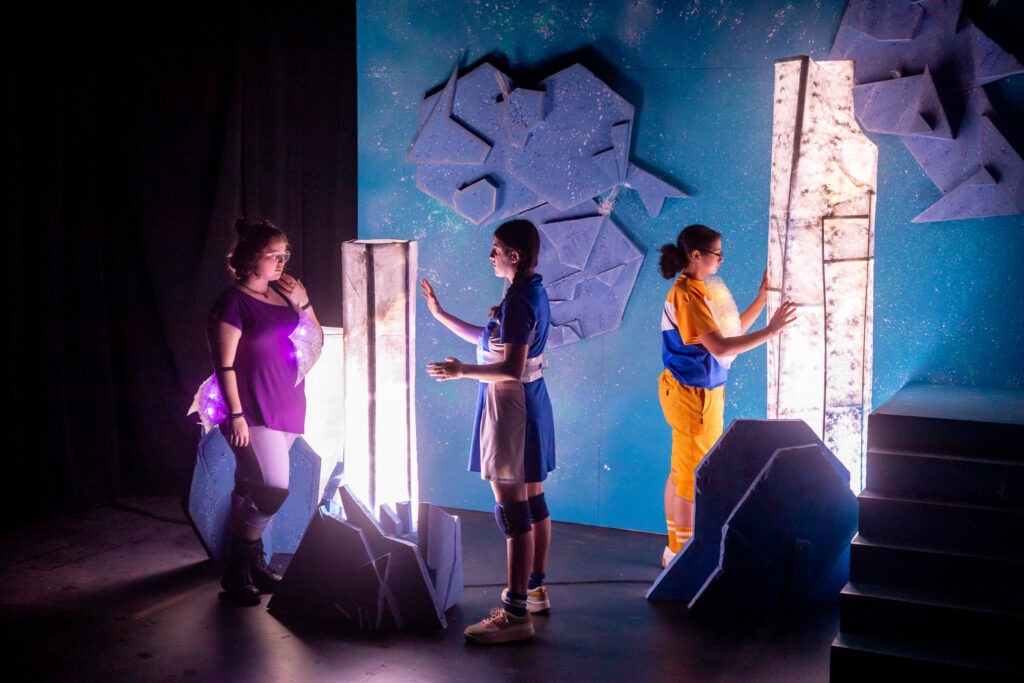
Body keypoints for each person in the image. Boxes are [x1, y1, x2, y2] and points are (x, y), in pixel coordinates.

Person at [422, 219, 555, 644]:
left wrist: (462, 371)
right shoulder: (529, 289)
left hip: (511, 406)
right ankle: (533, 590)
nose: (490, 255)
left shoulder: (518, 300)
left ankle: (516, 615)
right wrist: (441, 315)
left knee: (512, 510)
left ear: (514, 256)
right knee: (532, 500)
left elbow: (509, 367)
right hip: (531, 402)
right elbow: (492, 340)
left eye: (495, 248)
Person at [658, 224, 796, 567]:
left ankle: (675, 548)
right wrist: (772, 330)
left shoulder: (698, 288)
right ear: (696, 255)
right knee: (691, 476)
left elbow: (729, 334)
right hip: (694, 398)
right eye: (716, 253)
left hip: (697, 394)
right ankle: (683, 555)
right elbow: (720, 346)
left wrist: (761, 302)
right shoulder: (687, 295)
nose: (721, 259)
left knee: (681, 471)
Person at [207, 218, 320, 605]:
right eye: (273, 255)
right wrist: (235, 415)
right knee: (273, 490)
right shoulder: (232, 302)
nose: (281, 262)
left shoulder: (283, 294)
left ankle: (252, 564)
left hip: (287, 400)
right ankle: (237, 570)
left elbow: (312, 337)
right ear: (249, 258)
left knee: (253, 486)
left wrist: (303, 301)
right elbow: (223, 364)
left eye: (284, 254)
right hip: (253, 406)